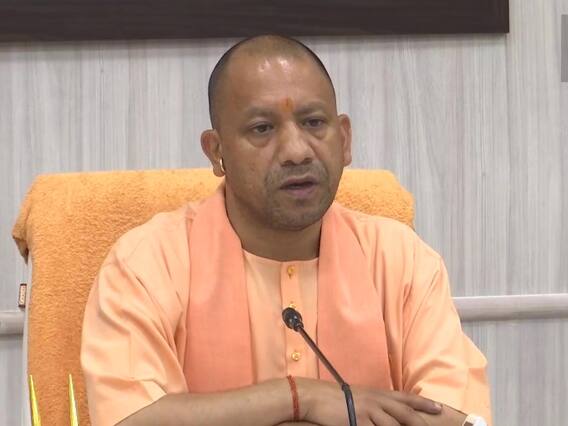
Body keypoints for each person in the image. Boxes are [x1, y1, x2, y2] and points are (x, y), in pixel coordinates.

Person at [81, 35, 492, 426]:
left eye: (313, 123)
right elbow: (128, 418)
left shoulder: (400, 259)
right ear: (217, 152)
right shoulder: (148, 263)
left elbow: (458, 417)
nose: (296, 151)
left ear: (344, 139)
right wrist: (299, 396)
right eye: (262, 128)